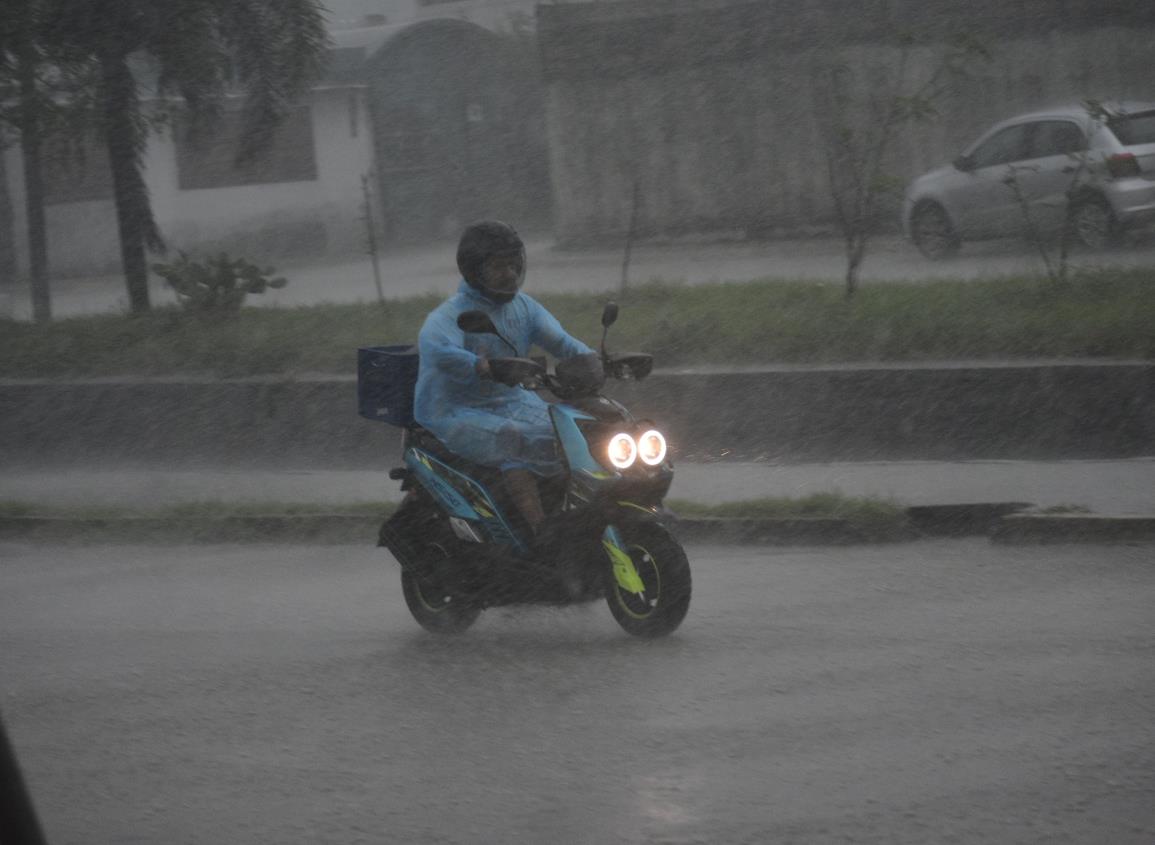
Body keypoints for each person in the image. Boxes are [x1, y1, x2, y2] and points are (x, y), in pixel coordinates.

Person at [413, 221, 594, 547]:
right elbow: (436, 348)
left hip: (511, 401)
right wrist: (479, 366)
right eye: (498, 266)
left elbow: (563, 342)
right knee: (513, 437)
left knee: (571, 431)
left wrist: (593, 360)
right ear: (474, 271)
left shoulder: (523, 308)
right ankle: (541, 533)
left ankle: (575, 515)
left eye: (514, 264)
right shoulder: (452, 314)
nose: (509, 273)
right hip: (454, 409)